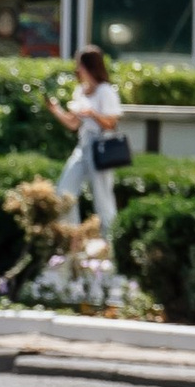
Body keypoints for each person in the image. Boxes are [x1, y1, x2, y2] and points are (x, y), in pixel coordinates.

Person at [48, 46, 124, 246]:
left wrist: (92, 113)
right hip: (83, 145)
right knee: (64, 192)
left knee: (103, 200)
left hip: (101, 147)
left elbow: (111, 123)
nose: (77, 69)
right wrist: (56, 110)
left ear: (88, 65)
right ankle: (72, 239)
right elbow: (73, 123)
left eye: (79, 64)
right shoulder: (80, 90)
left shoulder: (105, 91)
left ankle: (111, 244)